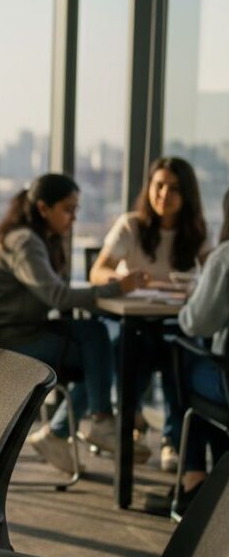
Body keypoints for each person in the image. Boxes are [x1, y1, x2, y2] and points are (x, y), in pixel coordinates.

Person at [0, 173, 147, 474]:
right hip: (12, 339)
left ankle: (69, 430)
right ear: (43, 208)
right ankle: (97, 422)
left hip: (19, 328)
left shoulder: (30, 237)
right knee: (100, 353)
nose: (74, 217)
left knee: (95, 339)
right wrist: (116, 288)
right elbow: (57, 296)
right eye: (68, 209)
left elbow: (54, 292)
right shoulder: (26, 242)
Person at [90, 157, 210, 472]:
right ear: (149, 188)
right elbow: (97, 271)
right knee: (133, 350)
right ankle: (131, 422)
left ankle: (171, 440)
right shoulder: (131, 225)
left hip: (170, 321)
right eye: (159, 186)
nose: (164, 195)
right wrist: (123, 281)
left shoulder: (195, 231)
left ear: (187, 196)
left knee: (181, 353)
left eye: (173, 189)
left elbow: (213, 271)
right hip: (128, 320)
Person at [174, 187, 229, 516]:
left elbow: (196, 324)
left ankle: (194, 478)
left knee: (179, 363)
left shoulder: (224, 257)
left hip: (226, 384)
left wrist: (189, 300)